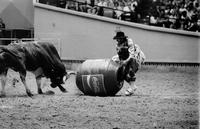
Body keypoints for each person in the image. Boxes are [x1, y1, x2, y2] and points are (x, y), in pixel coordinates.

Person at [112, 31, 145, 96]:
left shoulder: (129, 42)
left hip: (137, 56)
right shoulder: (117, 46)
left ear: (123, 38)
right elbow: (120, 56)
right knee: (122, 71)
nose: (118, 40)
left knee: (130, 68)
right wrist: (121, 63)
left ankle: (132, 87)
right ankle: (133, 86)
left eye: (119, 38)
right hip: (127, 58)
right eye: (117, 39)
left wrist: (126, 61)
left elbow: (132, 54)